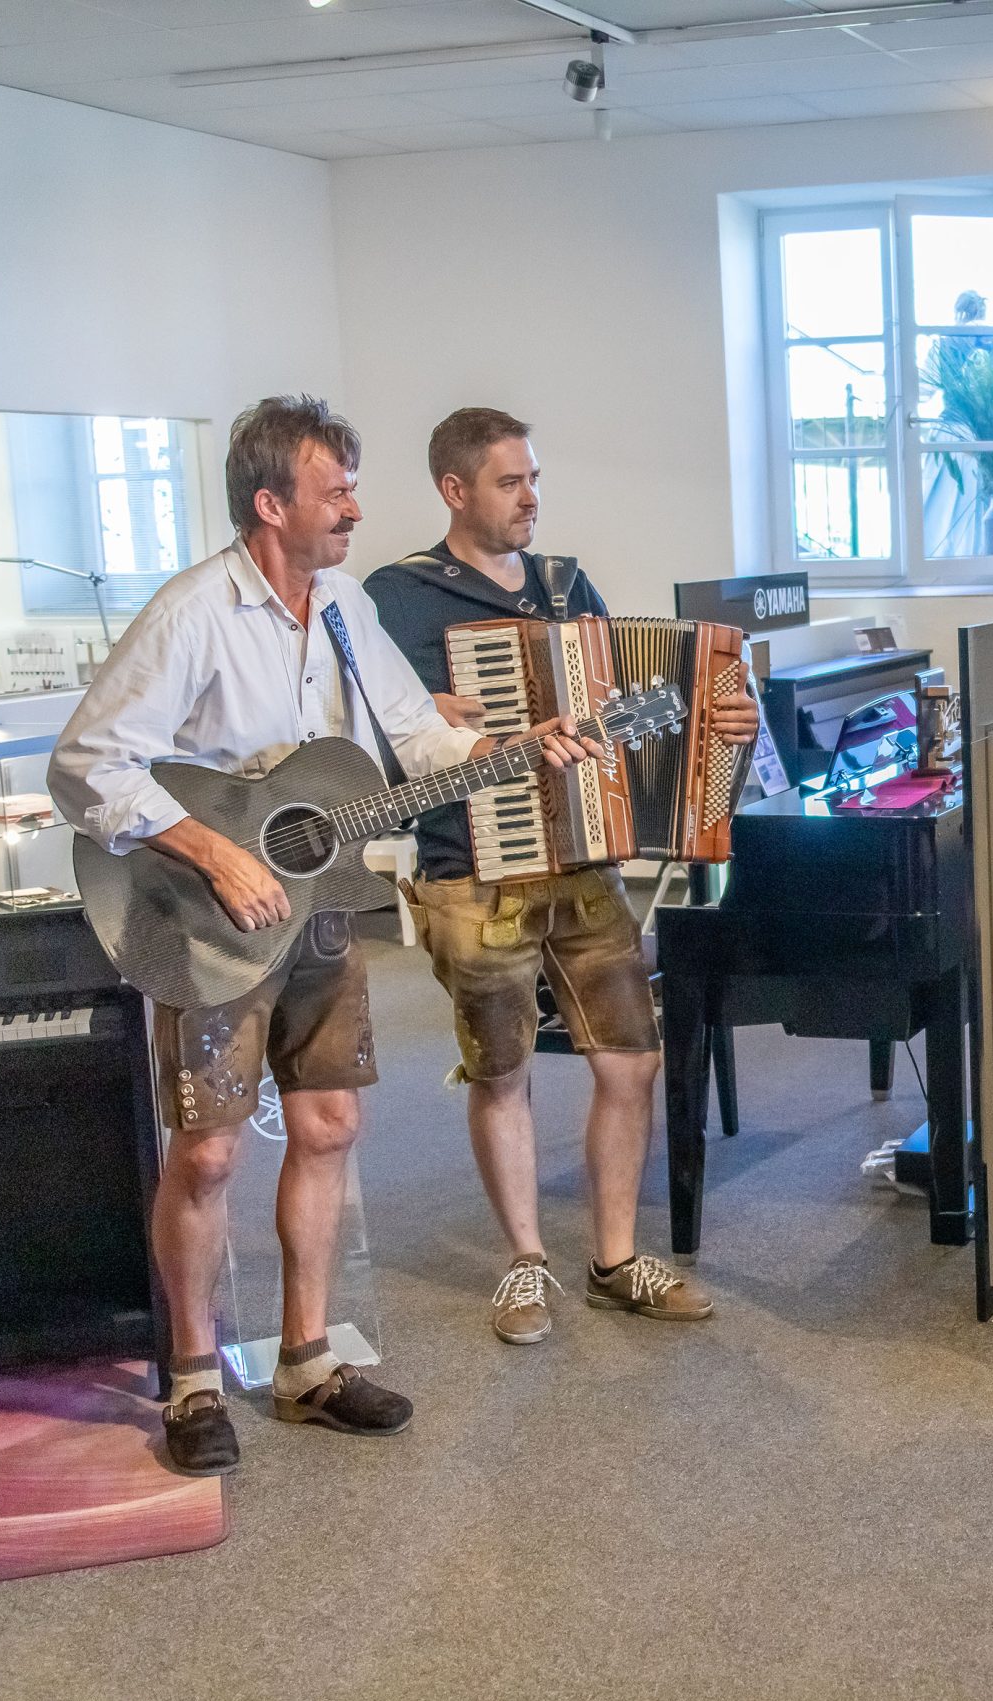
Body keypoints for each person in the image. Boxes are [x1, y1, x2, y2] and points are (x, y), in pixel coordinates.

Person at [51, 396, 589, 1476]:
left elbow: (416, 735)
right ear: (270, 504)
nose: (353, 508)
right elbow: (87, 765)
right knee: (208, 1150)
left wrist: (510, 747)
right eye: (334, 491)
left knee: (332, 1126)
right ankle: (194, 1380)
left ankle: (307, 1363)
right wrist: (215, 853)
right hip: (202, 915)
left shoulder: (343, 603)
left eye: (351, 488)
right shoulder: (193, 613)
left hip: (320, 902)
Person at [364, 408, 759, 1346]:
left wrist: (717, 719)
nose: (530, 497)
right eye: (510, 482)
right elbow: (376, 734)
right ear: (454, 489)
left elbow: (624, 710)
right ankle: (525, 1261)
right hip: (473, 869)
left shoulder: (563, 585)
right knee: (501, 1070)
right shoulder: (397, 598)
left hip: (582, 858)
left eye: (534, 478)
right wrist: (438, 715)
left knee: (630, 1058)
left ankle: (615, 1260)